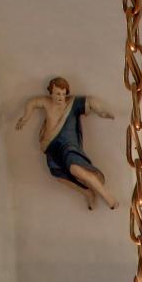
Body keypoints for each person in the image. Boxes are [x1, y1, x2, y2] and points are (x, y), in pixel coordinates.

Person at [14, 77, 119, 208]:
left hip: (68, 146)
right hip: (52, 147)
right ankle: (87, 193)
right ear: (51, 92)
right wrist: (25, 117)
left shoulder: (72, 104)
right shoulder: (47, 102)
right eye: (57, 93)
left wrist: (103, 112)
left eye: (63, 94)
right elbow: (32, 102)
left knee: (75, 168)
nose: (61, 97)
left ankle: (106, 195)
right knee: (60, 176)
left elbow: (90, 102)